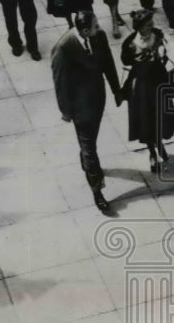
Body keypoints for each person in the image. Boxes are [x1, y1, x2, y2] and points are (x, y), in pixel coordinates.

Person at [51, 12, 123, 214]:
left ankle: (85, 157)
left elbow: (108, 63)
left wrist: (116, 90)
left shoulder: (98, 37)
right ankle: (97, 191)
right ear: (84, 31)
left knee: (91, 141)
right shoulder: (64, 47)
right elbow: (59, 82)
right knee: (90, 149)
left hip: (97, 101)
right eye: (95, 25)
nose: (99, 28)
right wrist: (66, 112)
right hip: (80, 109)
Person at [120, 10, 174, 173]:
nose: (152, 26)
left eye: (151, 23)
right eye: (148, 24)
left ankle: (159, 143)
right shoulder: (130, 44)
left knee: (161, 118)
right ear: (139, 27)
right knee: (146, 122)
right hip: (142, 89)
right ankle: (153, 152)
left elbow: (165, 47)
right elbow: (126, 65)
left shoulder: (157, 35)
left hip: (159, 83)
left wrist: (162, 51)